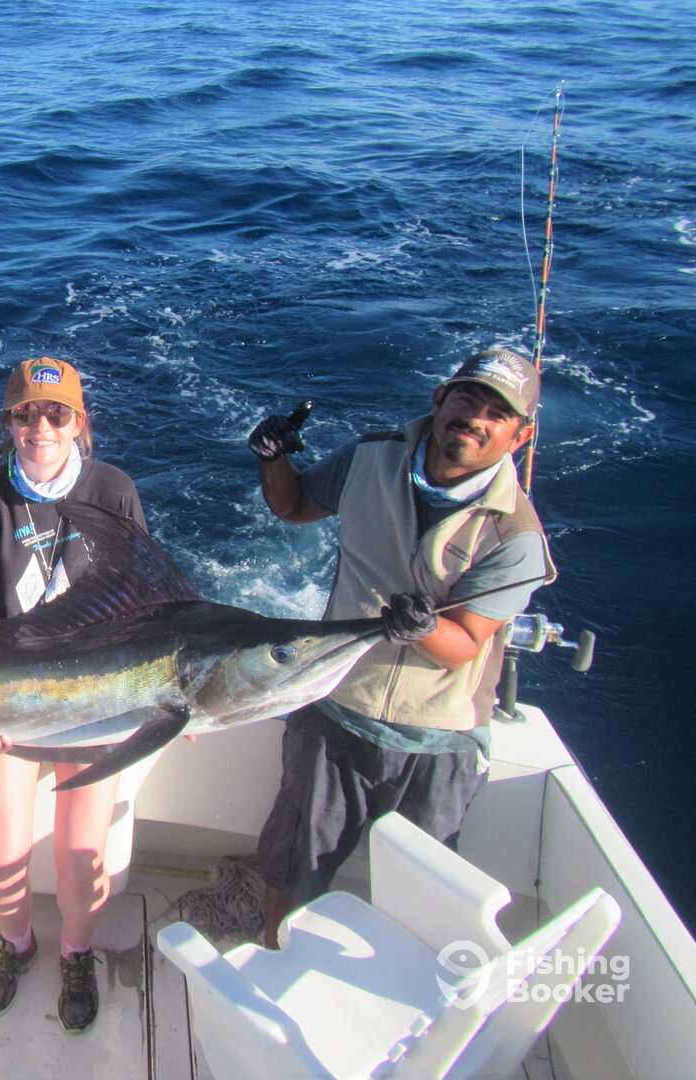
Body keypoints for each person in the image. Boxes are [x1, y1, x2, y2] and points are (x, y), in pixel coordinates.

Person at [247, 347, 556, 948]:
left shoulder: (516, 536)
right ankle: (275, 954)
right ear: (440, 399)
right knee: (292, 869)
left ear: (520, 436)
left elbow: (465, 643)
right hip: (337, 707)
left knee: (422, 893)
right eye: (467, 399)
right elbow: (295, 506)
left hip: (436, 741)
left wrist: (421, 628)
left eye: (497, 413)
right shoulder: (370, 457)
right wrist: (274, 458)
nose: (475, 418)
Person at [0, 357, 147, 1033]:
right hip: (8, 715)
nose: (41, 426)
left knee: (81, 866)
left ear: (80, 423)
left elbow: (148, 613)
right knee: (1, 864)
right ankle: (17, 942)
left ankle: (77, 952)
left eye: (57, 413)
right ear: (9, 423)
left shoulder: (114, 492)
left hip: (97, 708)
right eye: (26, 413)